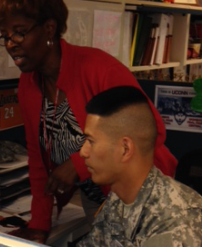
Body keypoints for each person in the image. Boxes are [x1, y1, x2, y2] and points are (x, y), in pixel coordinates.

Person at [0, 0, 177, 244]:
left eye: (19, 32)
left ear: (49, 29)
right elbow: (37, 156)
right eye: (4, 34)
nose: (10, 44)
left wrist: (77, 165)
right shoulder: (29, 85)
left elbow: (150, 132)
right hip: (95, 199)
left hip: (141, 196)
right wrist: (39, 225)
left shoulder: (99, 70)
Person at [77, 86, 202, 247]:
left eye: (91, 141)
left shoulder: (176, 224)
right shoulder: (120, 198)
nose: (83, 152)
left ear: (125, 149)